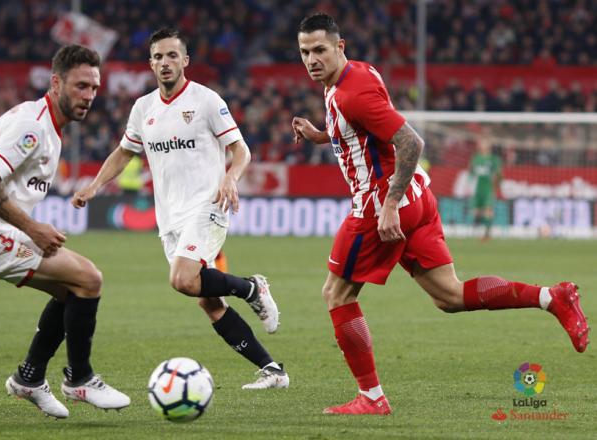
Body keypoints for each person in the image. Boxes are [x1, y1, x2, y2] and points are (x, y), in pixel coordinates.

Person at [291, 13, 589, 415]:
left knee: (337, 293)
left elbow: (412, 142)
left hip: (381, 203)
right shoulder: (355, 76)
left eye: (320, 50)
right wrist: (321, 135)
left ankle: (372, 398)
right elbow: (365, 126)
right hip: (418, 197)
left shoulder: (350, 93)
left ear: (339, 47)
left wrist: (390, 205)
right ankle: (551, 297)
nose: (312, 59)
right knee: (449, 295)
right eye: (305, 51)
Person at [72, 28, 289, 390]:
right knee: (207, 301)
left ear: (185, 60)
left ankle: (253, 288)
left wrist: (231, 177)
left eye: (172, 55)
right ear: (151, 63)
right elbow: (125, 152)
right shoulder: (144, 108)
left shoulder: (205, 100)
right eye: (158, 57)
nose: (165, 63)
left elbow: (242, 150)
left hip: (208, 204)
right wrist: (95, 185)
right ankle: (272, 370)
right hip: (169, 216)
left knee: (182, 279)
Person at [0, 45, 130, 418]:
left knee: (71, 291)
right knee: (89, 280)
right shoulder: (32, 127)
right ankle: (79, 378)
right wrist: (33, 229)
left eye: (94, 87)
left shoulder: (42, 124)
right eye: (80, 86)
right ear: (56, 82)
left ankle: (30, 377)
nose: (89, 96)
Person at [469, 139, 502, 240]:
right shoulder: (476, 158)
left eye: (485, 143)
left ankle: (487, 234)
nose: (482, 145)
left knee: (488, 210)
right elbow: (471, 172)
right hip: (478, 188)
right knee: (476, 212)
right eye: (481, 143)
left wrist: (496, 182)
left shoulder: (494, 159)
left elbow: (499, 174)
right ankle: (479, 230)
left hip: (488, 188)